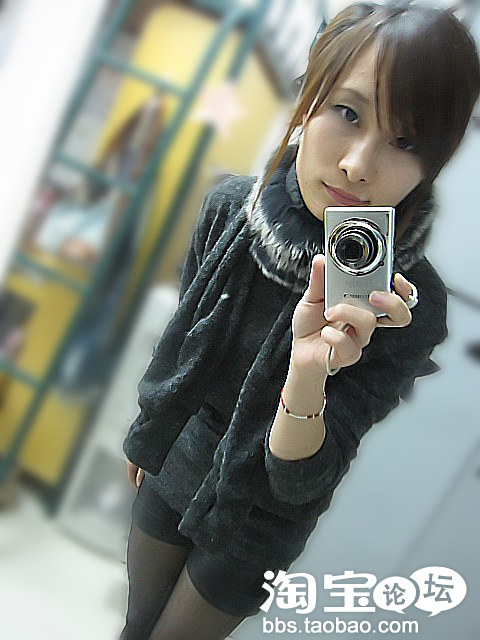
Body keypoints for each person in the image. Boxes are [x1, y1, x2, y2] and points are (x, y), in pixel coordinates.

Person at [119, 3, 480, 639]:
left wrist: (309, 373)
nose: (358, 164)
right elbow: (181, 340)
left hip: (258, 527)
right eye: (348, 112)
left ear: (433, 163)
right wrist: (150, 434)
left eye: (406, 142)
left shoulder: (410, 305)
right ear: (310, 99)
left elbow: (299, 483)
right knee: (135, 627)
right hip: (178, 459)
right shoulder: (231, 208)